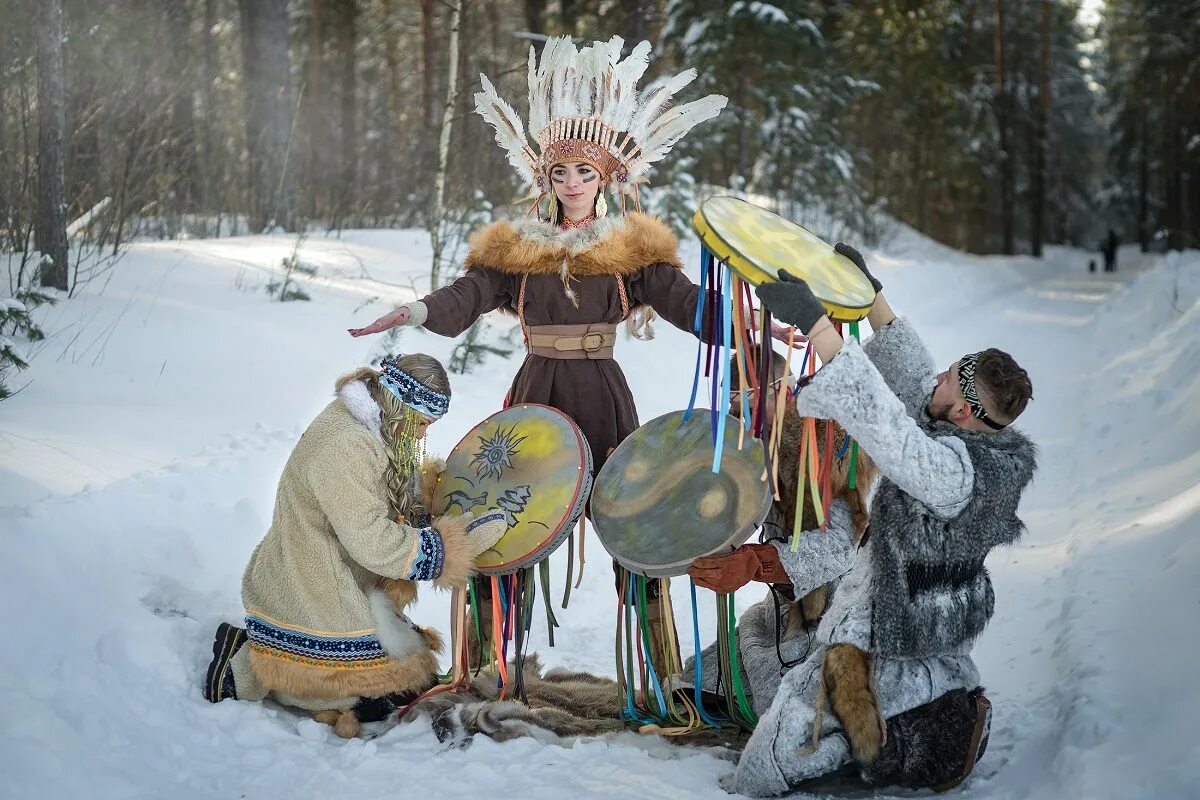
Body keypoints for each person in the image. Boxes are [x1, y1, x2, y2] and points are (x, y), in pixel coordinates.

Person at [347, 36, 728, 667]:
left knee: (630, 522)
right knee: (509, 520)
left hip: (604, 397)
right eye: (560, 172)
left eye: (585, 172)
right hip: (536, 398)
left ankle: (658, 672)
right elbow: (468, 294)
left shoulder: (633, 247)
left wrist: (750, 323)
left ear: (606, 177)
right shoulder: (518, 248)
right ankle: (492, 664)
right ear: (544, 177)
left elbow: (687, 302)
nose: (572, 183)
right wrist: (416, 311)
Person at [714, 244, 1037, 795]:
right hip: (916, 626)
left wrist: (816, 325)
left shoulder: (953, 474)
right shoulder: (966, 439)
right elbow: (912, 392)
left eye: (948, 380)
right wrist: (872, 299)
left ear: (962, 412)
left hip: (884, 632)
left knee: (773, 754)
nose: (934, 376)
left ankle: (897, 750)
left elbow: (890, 426)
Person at [202, 354, 508, 738]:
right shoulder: (345, 444)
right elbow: (374, 542)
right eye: (423, 424)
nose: (421, 436)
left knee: (411, 683)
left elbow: (394, 498)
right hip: (309, 581)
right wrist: (450, 546)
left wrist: (436, 497)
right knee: (369, 705)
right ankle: (242, 670)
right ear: (402, 406)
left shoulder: (387, 427)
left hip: (344, 571)